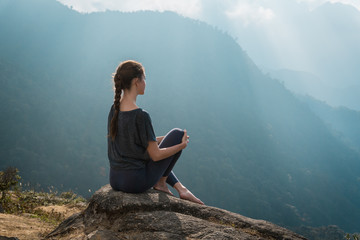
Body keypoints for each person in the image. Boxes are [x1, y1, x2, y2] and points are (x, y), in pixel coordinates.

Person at [107, 60, 204, 205]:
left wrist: (160, 139)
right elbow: (156, 155)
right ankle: (161, 183)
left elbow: (132, 141)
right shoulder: (141, 116)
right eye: (144, 78)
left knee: (162, 143)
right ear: (136, 82)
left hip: (115, 179)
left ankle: (180, 188)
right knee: (177, 135)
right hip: (135, 183)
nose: (145, 82)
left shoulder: (114, 109)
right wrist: (180, 146)